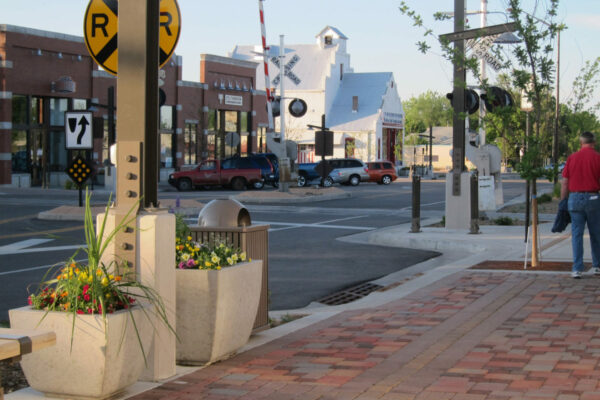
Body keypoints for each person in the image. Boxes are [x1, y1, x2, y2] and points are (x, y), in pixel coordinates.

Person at [561, 131, 600, 278]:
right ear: (594, 143)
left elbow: (565, 182)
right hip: (593, 198)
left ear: (581, 143)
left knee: (577, 234)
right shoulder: (598, 158)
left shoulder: (572, 158)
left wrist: (563, 200)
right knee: (596, 233)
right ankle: (597, 265)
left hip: (575, 198)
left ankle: (577, 268)